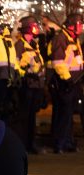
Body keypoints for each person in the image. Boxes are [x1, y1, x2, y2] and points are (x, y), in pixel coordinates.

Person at [48, 13, 83, 154]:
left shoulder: (73, 39)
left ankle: (68, 142)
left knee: (68, 114)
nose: (81, 27)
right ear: (72, 26)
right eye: (80, 24)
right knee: (63, 114)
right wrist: (67, 78)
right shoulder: (60, 39)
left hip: (74, 81)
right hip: (64, 82)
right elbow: (58, 62)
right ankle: (59, 143)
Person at [13, 16, 45, 154]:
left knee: (31, 117)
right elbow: (17, 65)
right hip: (26, 86)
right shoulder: (20, 45)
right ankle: (22, 145)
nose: (36, 29)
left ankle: (31, 144)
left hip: (35, 86)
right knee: (23, 117)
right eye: (34, 26)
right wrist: (26, 74)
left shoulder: (33, 44)